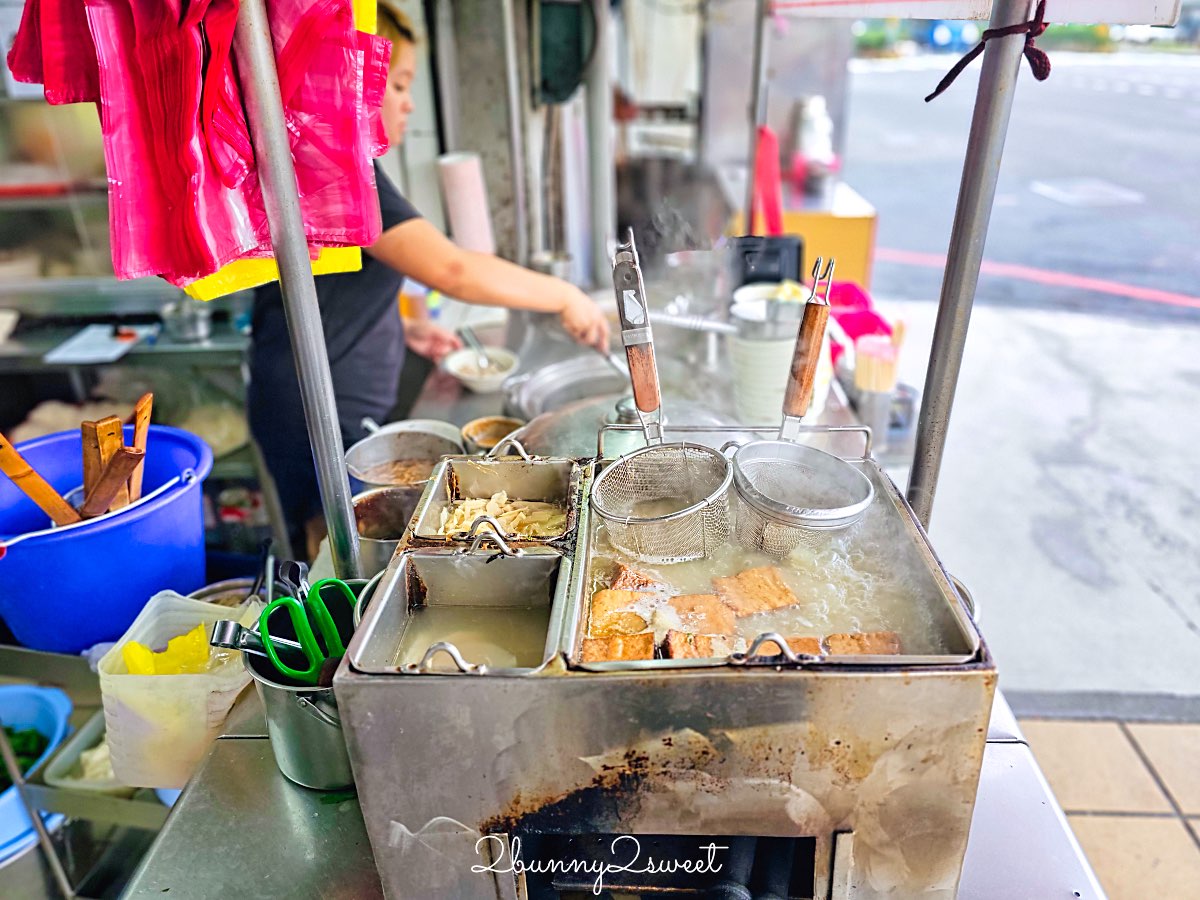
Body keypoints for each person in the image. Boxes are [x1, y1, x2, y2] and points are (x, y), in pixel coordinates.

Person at [248, 3, 609, 558]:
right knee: (338, 551)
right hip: (315, 412)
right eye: (396, 84)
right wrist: (565, 296)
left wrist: (404, 330)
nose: (409, 102)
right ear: (352, 81)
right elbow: (452, 270)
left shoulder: (332, 160)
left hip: (326, 393)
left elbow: (336, 279)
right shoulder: (333, 164)